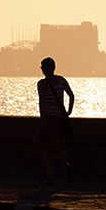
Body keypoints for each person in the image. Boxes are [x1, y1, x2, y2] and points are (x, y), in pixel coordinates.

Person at [35, 57, 74, 185]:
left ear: (45, 69)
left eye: (41, 67)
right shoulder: (61, 80)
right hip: (60, 118)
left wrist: (42, 120)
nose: (40, 68)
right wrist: (68, 111)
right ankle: (66, 166)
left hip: (48, 118)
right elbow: (71, 96)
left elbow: (42, 103)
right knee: (58, 147)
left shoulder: (42, 84)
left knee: (46, 149)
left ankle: (51, 176)